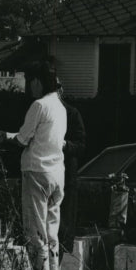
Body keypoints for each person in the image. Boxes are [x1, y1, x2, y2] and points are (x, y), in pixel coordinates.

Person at [0, 60, 67, 270]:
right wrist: (11, 134)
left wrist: (5, 139)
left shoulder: (38, 105)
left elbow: (24, 140)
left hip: (36, 171)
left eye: (30, 82)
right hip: (57, 172)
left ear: (37, 82)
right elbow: (38, 136)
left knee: (35, 229)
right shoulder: (60, 107)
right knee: (52, 230)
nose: (29, 87)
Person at [58, 85, 87, 254]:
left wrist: (63, 144)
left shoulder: (71, 113)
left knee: (64, 220)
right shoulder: (39, 109)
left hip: (65, 173)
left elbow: (81, 145)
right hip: (45, 172)